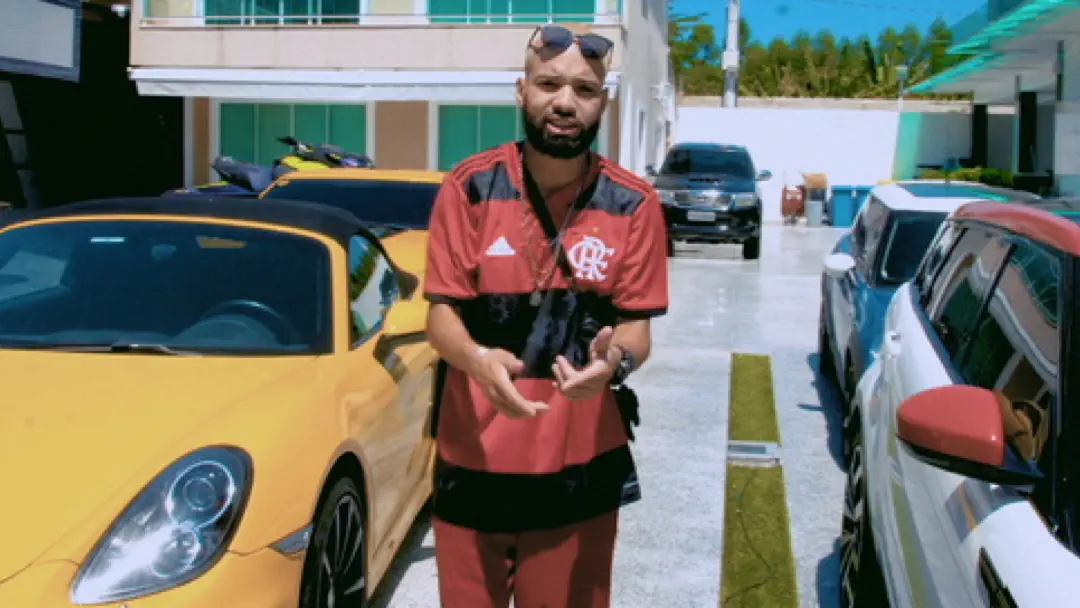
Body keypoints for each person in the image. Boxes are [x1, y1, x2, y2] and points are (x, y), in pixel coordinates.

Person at [422, 22, 670, 608]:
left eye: (584, 90)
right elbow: (440, 316)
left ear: (603, 103)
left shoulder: (633, 202)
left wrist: (612, 364)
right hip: (473, 461)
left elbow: (636, 327)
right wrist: (476, 359)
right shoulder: (470, 187)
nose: (564, 102)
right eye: (548, 84)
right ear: (522, 90)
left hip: (579, 470)